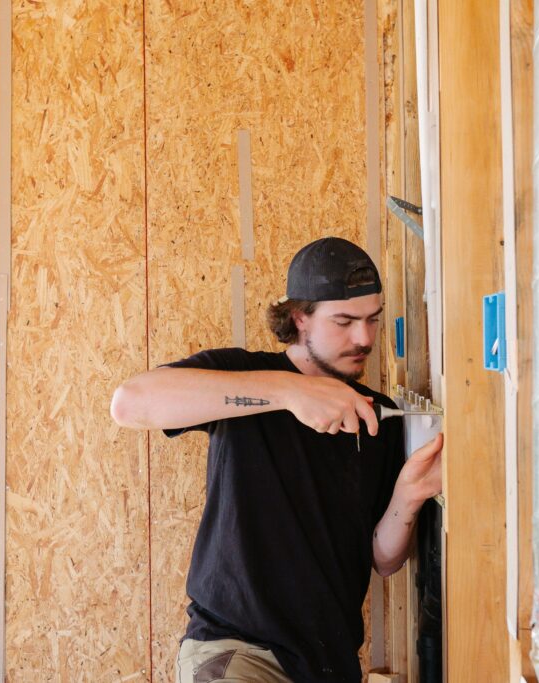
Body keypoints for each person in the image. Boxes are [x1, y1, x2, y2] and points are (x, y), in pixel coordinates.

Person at [111, 237, 443, 683]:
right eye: (344, 322)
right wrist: (290, 392)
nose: (364, 338)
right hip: (240, 655)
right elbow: (129, 404)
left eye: (372, 320)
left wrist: (410, 494)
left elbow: (383, 560)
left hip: (328, 666)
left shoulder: (375, 415)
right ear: (299, 317)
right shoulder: (241, 377)